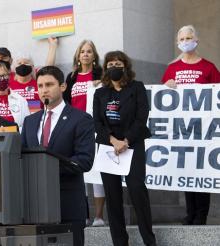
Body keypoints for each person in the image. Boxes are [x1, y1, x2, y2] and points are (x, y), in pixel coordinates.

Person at [21, 66, 95, 246]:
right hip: (35, 207)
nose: (44, 89)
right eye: (39, 86)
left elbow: (84, 161)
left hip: (68, 205)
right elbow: (22, 157)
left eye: (49, 84)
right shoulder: (30, 122)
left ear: (62, 87)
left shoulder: (81, 119)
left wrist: (48, 169)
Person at [93, 51, 156, 246]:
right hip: (109, 146)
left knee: (137, 189)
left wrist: (126, 140)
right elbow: (97, 122)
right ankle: (120, 242)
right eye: (110, 64)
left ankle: (149, 239)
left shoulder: (136, 88)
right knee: (112, 195)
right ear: (105, 68)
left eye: (118, 63)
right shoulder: (100, 93)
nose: (114, 67)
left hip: (133, 144)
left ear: (125, 67)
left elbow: (141, 115)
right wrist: (113, 140)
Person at [162, 25, 220, 225]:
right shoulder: (172, 68)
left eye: (189, 37)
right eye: (182, 38)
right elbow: (161, 99)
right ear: (178, 42)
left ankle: (201, 214)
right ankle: (190, 212)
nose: (186, 41)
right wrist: (166, 87)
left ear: (197, 40)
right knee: (186, 169)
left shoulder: (209, 68)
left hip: (203, 129)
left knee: (201, 170)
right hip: (181, 128)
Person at [63, 39, 106, 227]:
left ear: (94, 56)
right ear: (78, 55)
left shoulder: (101, 76)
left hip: (95, 129)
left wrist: (101, 85)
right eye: (83, 51)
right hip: (75, 129)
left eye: (89, 51)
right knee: (79, 172)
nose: (86, 54)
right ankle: (84, 215)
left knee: (96, 174)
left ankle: (99, 216)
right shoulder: (71, 78)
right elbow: (66, 103)